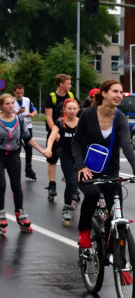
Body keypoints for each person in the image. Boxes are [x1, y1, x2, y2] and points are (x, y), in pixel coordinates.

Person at [72, 80, 135, 250]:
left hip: (111, 171)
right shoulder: (87, 114)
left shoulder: (120, 117)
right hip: (88, 170)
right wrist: (81, 166)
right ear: (104, 93)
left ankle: (113, 252)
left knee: (115, 211)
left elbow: (126, 145)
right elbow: (76, 142)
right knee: (92, 195)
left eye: (121, 92)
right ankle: (84, 231)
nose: (119, 95)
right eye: (115, 91)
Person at [0, 93, 51, 233]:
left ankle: (20, 214)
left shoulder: (19, 120)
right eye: (7, 104)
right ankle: (1, 213)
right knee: (1, 185)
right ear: (1, 106)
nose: (11, 106)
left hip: (13, 156)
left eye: (12, 103)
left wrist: (43, 151)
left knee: (16, 186)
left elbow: (28, 138)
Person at [45, 96, 81, 227]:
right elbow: (52, 136)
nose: (72, 111)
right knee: (71, 183)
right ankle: (67, 208)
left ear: (78, 109)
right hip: (66, 155)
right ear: (65, 109)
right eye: (69, 108)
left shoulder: (82, 122)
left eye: (74, 108)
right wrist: (49, 148)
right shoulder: (60, 122)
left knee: (84, 182)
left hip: (80, 156)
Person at [43, 74, 76, 202]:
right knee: (52, 159)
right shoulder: (52, 97)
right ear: (61, 84)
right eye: (68, 83)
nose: (70, 85)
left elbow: (77, 110)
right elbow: (49, 117)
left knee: (73, 159)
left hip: (69, 133)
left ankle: (73, 185)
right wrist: (55, 132)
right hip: (55, 131)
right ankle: (52, 184)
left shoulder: (71, 96)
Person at [13, 84, 38, 181]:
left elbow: (34, 110)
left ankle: (28, 168)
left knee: (29, 148)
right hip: (15, 126)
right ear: (14, 92)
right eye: (18, 93)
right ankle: (15, 168)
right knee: (17, 148)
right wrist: (18, 112)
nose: (20, 95)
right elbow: (7, 114)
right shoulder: (11, 101)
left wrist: (31, 114)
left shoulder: (27, 100)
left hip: (27, 126)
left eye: (21, 93)